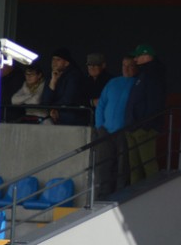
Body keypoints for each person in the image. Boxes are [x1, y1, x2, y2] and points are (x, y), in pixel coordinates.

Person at [94, 55, 138, 195]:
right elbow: (101, 105)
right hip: (106, 131)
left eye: (130, 66)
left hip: (125, 131)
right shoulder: (113, 82)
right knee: (104, 165)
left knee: (123, 166)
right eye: (124, 65)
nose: (126, 68)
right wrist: (99, 126)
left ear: (135, 67)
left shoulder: (137, 84)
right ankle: (104, 194)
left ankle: (120, 195)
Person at [124, 44, 167, 183]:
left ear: (147, 56)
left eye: (138, 56)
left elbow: (155, 102)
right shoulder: (143, 74)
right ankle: (134, 193)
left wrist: (145, 126)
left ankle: (154, 192)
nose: (135, 59)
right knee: (135, 167)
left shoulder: (154, 73)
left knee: (148, 164)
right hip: (134, 127)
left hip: (144, 128)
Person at [41, 48, 90, 125]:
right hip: (55, 114)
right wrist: (53, 82)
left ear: (66, 63)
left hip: (74, 116)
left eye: (58, 60)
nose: (54, 62)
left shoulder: (74, 75)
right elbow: (45, 101)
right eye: (53, 59)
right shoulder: (51, 75)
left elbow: (68, 99)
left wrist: (53, 108)